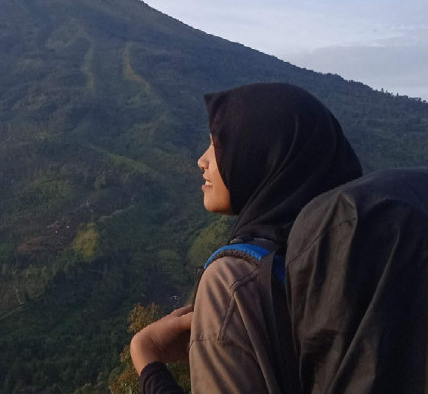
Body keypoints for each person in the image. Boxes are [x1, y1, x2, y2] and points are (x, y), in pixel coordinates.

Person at [130, 82, 362, 393]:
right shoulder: (353, 250)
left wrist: (147, 355)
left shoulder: (234, 281)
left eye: (219, 145)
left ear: (262, 156)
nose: (203, 160)